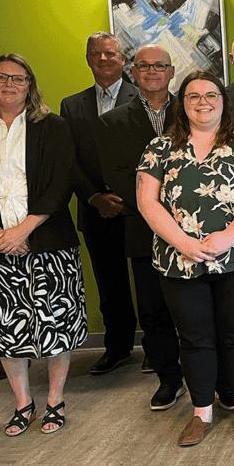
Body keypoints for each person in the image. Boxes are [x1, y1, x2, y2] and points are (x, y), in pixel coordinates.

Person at [136, 71, 234, 446]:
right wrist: (182, 241)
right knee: (195, 338)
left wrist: (228, 237)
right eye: (193, 96)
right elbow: (147, 201)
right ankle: (201, 413)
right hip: (178, 259)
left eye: (211, 95)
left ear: (223, 101)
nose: (203, 102)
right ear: (182, 104)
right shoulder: (159, 148)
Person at [0, 54, 87, 436]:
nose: (10, 84)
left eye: (19, 78)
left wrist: (24, 230)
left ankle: (55, 401)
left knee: (56, 324)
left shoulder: (53, 126)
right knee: (5, 328)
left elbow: (62, 182)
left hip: (47, 242)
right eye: (1, 77)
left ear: (31, 86)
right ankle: (22, 403)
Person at [99, 45, 186, 411]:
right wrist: (158, 210)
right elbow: (115, 176)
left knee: (199, 309)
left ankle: (213, 378)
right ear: (133, 72)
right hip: (143, 231)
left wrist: (185, 212)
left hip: (196, 229)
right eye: (145, 66)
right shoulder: (113, 121)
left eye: (160, 66)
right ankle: (169, 379)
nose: (153, 71)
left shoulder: (194, 108)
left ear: (172, 71)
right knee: (153, 310)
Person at [59, 31, 139, 376]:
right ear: (88, 59)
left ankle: (158, 349)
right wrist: (94, 197)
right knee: (110, 285)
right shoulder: (71, 105)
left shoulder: (145, 98)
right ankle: (118, 348)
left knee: (153, 284)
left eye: (111, 54)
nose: (103, 59)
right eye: (96, 54)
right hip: (95, 210)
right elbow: (68, 160)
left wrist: (129, 197)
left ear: (123, 60)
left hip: (140, 209)